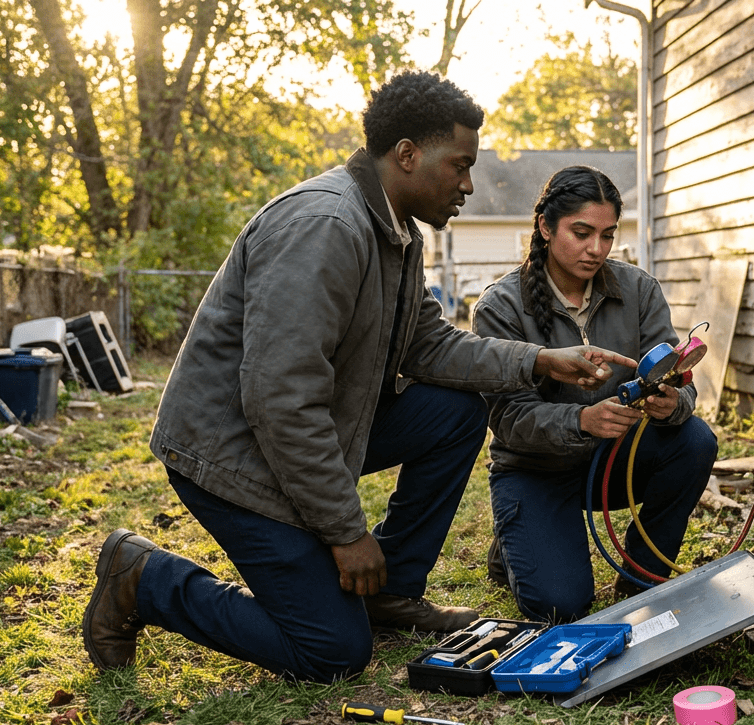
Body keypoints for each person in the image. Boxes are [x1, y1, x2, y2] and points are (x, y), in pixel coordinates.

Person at [81, 73, 635, 682]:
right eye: (459, 166)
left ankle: (388, 591)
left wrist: (536, 360)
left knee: (454, 412)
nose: (469, 185)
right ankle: (145, 578)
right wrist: (346, 533)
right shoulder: (326, 227)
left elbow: (429, 346)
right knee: (332, 652)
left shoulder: (396, 232)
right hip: (235, 456)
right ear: (406, 155)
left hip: (303, 434)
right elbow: (281, 402)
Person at [471, 166, 718, 623]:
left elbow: (680, 382)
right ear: (545, 226)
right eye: (581, 233)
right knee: (559, 605)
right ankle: (517, 539)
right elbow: (508, 420)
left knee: (695, 440)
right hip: (536, 468)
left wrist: (671, 404)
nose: (596, 250)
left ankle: (642, 581)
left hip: (616, 458)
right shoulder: (500, 307)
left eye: (607, 235)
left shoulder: (639, 289)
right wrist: (581, 421)